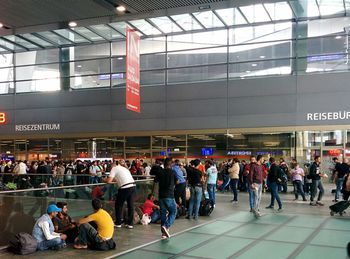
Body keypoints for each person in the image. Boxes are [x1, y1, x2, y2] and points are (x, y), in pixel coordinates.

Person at [105, 160, 136, 229]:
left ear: (112, 166)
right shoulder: (123, 168)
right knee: (130, 205)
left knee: (118, 205)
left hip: (125, 188)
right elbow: (118, 179)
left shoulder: (114, 168)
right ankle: (130, 224)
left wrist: (104, 180)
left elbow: (109, 181)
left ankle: (118, 223)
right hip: (132, 186)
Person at [152, 157, 177, 239]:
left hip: (161, 196)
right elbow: (177, 181)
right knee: (173, 211)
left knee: (163, 214)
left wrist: (153, 194)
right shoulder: (173, 172)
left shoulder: (160, 172)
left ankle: (163, 234)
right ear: (171, 164)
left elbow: (155, 182)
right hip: (169, 195)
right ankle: (166, 226)